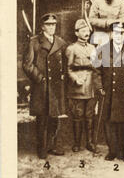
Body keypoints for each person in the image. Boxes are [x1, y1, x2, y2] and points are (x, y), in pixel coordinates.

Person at [22, 13, 67, 159]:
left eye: (54, 24)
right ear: (42, 27)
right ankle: (42, 149)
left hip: (55, 86)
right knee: (42, 118)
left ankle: (51, 146)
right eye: (48, 24)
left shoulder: (60, 42)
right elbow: (27, 65)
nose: (52, 27)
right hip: (42, 86)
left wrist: (63, 76)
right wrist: (40, 78)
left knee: (54, 117)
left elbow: (65, 63)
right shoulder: (34, 42)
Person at [94, 21, 124, 163]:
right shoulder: (103, 49)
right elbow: (96, 71)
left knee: (123, 122)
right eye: (116, 33)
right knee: (109, 121)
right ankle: (112, 151)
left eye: (122, 33)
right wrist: (100, 87)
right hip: (108, 92)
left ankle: (122, 153)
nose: (119, 36)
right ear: (111, 34)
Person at [65, 19, 98, 153]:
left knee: (89, 115)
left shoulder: (92, 48)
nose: (86, 33)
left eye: (87, 31)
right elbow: (68, 69)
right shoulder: (71, 49)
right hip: (78, 87)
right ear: (76, 32)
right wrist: (75, 79)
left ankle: (89, 142)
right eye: (83, 31)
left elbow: (96, 68)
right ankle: (77, 143)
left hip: (90, 86)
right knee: (78, 115)